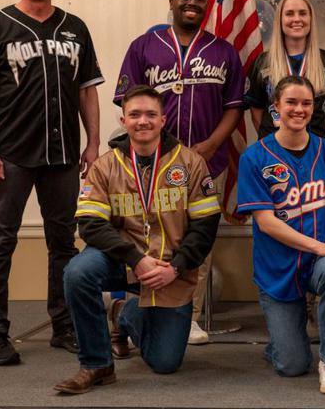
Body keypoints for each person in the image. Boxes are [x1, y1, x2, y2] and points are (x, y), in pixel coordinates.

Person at [0, 0, 103, 365]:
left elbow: (87, 90)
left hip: (62, 158)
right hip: (11, 155)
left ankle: (63, 326)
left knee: (63, 244)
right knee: (0, 242)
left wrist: (92, 144)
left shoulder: (75, 27)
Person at [54, 85, 220, 394]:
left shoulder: (191, 163)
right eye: (134, 115)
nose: (142, 121)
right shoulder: (105, 165)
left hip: (169, 269)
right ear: (123, 120)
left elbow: (206, 225)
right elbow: (89, 224)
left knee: (165, 362)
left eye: (150, 114)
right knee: (77, 272)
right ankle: (96, 364)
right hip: (121, 261)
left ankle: (123, 313)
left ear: (163, 119)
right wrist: (136, 258)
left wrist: (177, 266)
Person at [114, 0, 244, 345]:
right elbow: (129, 106)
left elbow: (234, 108)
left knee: (198, 241)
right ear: (171, 1)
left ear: (207, 5)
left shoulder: (224, 51)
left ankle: (190, 316)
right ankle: (138, 312)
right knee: (147, 235)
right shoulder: (144, 47)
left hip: (206, 162)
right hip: (152, 164)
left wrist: (207, 147)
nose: (192, 3)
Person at [235, 76, 325, 394]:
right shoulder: (254, 157)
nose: (298, 109)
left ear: (314, 108)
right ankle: (283, 341)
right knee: (292, 366)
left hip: (319, 263)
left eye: (306, 103)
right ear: (276, 108)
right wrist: (321, 247)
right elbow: (266, 222)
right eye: (291, 102)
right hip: (278, 267)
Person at [245, 0, 325, 144]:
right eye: (289, 14)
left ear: (310, 19)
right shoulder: (262, 63)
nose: (297, 19)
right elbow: (256, 113)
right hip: (274, 149)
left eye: (302, 13)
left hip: (319, 147)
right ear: (280, 20)